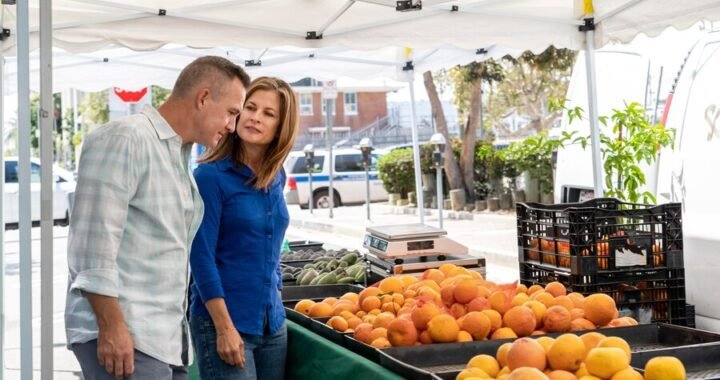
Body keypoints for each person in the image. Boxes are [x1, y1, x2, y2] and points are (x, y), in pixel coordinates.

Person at [65, 56, 251, 380]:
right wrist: (112, 327)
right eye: (231, 113)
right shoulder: (126, 138)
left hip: (164, 341)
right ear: (203, 97)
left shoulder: (178, 156)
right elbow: (92, 248)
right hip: (127, 336)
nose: (233, 126)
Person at [189, 76, 298, 380]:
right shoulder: (210, 177)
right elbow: (200, 258)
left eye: (268, 113)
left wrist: (275, 289)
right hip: (224, 323)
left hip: (272, 324)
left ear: (281, 126)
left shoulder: (276, 176)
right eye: (250, 107)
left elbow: (271, 243)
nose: (255, 118)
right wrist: (224, 328)